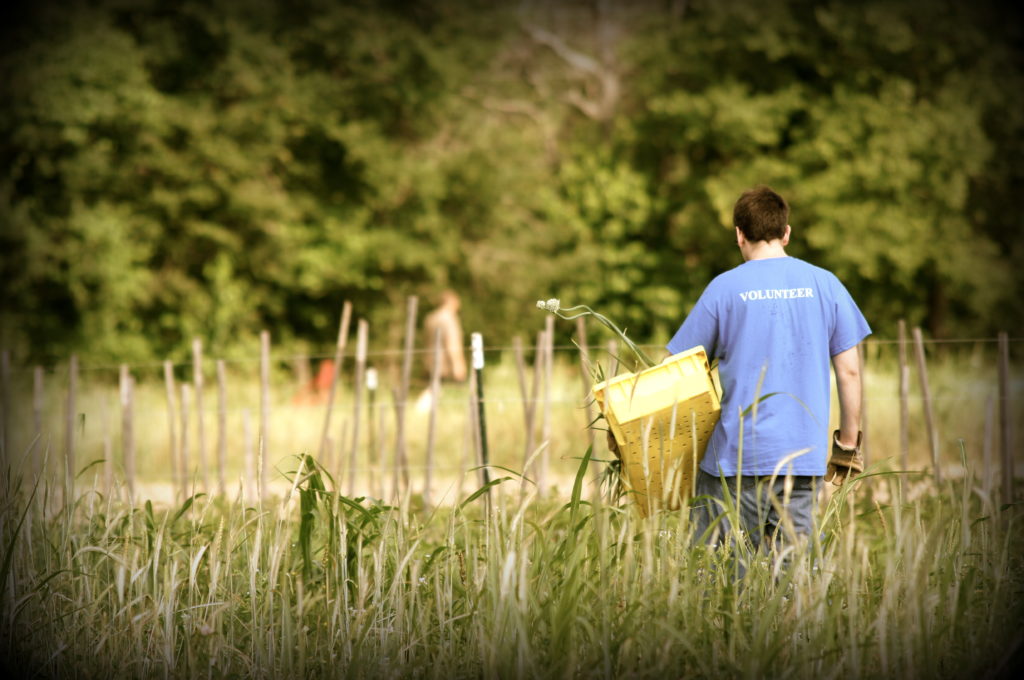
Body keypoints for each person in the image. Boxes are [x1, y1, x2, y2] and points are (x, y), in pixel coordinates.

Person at [666, 186, 870, 550]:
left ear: (739, 235)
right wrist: (848, 444)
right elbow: (850, 371)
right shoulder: (826, 284)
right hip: (801, 459)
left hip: (734, 460)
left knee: (722, 573)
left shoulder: (723, 289)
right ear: (786, 233)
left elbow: (675, 370)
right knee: (791, 575)